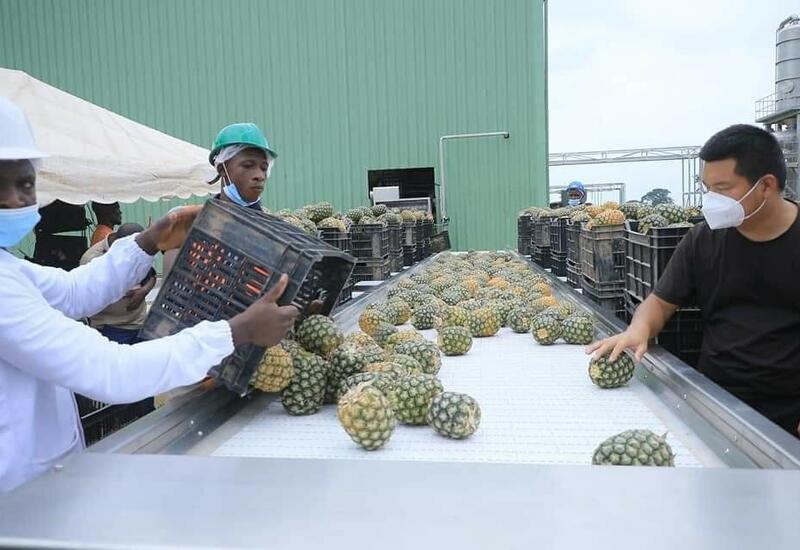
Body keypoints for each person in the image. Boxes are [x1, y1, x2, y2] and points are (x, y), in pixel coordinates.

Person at [0, 98, 300, 492]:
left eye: (26, 184)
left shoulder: (11, 268)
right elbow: (113, 369)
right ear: (222, 168)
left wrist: (148, 241)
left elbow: (73, 292)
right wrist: (236, 332)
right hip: (16, 492)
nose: (17, 201)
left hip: (38, 482)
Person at [588, 124, 800, 437]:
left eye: (723, 188)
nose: (712, 199)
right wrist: (638, 329)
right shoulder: (704, 239)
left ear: (766, 185)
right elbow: (659, 302)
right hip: (717, 399)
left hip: (790, 407)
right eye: (707, 187)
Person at [162, 123, 276, 277]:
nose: (259, 175)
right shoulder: (190, 224)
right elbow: (171, 287)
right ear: (222, 169)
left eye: (263, 168)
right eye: (248, 165)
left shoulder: (271, 232)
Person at [80, 223, 156, 344]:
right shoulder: (92, 259)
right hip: (110, 328)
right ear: (119, 243)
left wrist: (144, 291)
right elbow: (87, 300)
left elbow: (151, 275)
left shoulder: (138, 249)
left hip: (140, 324)